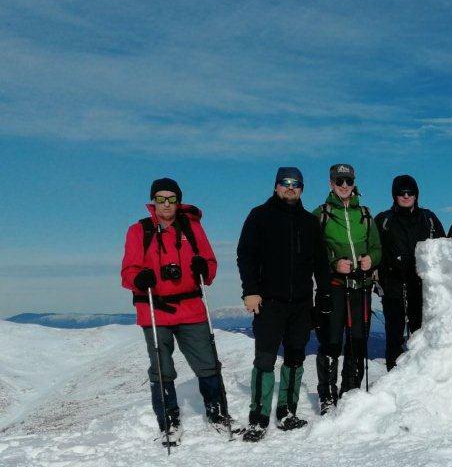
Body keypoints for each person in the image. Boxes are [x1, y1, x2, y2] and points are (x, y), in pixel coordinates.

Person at [121, 177, 223, 440]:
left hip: (191, 307)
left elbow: (210, 263)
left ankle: (217, 413)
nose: (166, 204)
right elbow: (127, 272)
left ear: (178, 201)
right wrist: (138, 279)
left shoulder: (192, 228)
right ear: (153, 202)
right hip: (154, 309)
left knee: (208, 363)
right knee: (161, 368)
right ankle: (169, 421)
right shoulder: (138, 230)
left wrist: (205, 269)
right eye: (160, 199)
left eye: (171, 199)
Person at [236, 167, 331, 441]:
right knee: (265, 360)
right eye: (285, 183)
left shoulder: (309, 222)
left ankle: (287, 412)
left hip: (301, 303)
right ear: (276, 186)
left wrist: (323, 293)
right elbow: (246, 255)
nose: (291, 188)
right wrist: (250, 291)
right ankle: (259, 417)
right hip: (269, 302)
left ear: (302, 188)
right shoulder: (260, 216)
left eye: (296, 184)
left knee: (295, 357)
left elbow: (321, 262)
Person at [312, 163, 382, 413]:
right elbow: (314, 250)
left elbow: (376, 247)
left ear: (354, 183)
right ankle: (327, 396)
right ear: (331, 183)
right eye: (339, 181)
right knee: (331, 340)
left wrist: (371, 260)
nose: (344, 186)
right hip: (334, 286)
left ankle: (350, 391)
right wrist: (333, 262)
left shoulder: (364, 213)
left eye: (348, 181)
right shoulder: (320, 214)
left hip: (361, 286)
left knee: (358, 339)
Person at [375, 174, 445, 370]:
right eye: (401, 192)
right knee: (394, 337)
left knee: (421, 335)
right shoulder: (384, 220)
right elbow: (373, 249)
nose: (406, 196)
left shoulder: (429, 219)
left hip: (422, 288)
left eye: (410, 192)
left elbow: (444, 248)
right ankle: (393, 378)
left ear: (416, 195)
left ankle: (420, 378)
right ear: (394, 195)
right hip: (393, 287)